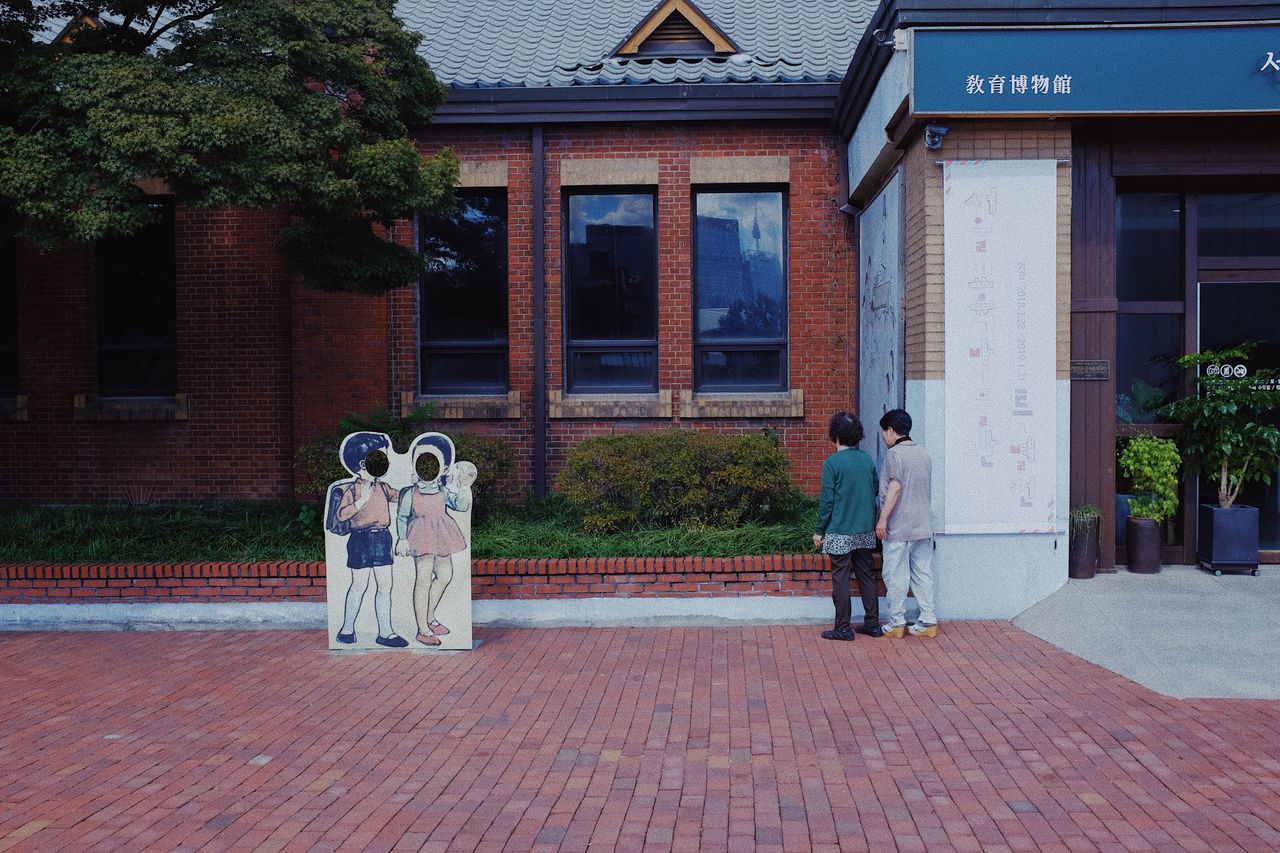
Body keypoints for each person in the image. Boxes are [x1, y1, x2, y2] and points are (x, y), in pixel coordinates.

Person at [333, 432, 408, 648]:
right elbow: (341, 514)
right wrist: (361, 501)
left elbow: (399, 495)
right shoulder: (353, 489)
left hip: (382, 538)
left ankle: (386, 632)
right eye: (379, 458)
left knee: (385, 586)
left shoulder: (381, 486)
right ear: (363, 463)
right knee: (359, 585)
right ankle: (347, 629)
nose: (383, 464)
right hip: (360, 540)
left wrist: (415, 486)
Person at [396, 435, 472, 647]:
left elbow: (460, 505)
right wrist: (402, 539)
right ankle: (422, 629)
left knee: (445, 575)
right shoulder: (411, 493)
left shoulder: (442, 490)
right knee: (423, 579)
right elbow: (402, 516)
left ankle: (429, 617)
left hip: (441, 535)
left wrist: (465, 487)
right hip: (421, 536)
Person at [813, 410, 882, 641]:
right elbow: (874, 489)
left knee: (840, 577)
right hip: (865, 527)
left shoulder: (832, 463)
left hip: (841, 528)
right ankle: (872, 624)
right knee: (866, 574)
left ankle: (843, 627)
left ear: (836, 435)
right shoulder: (867, 460)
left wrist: (819, 530)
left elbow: (828, 501)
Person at [875, 409, 938, 638]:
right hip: (922, 526)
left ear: (891, 430)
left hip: (899, 527)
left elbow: (895, 486)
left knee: (896, 575)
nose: (883, 436)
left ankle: (896, 623)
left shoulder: (894, 455)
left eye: (884, 431)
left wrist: (882, 519)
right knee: (923, 573)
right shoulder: (924, 454)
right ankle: (928, 621)